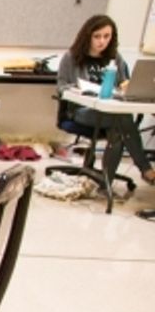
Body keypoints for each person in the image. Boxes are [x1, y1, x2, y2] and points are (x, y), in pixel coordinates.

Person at [56, 14, 153, 184]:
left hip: (110, 109)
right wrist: (78, 90)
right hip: (81, 110)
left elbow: (125, 83)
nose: (102, 41)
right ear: (88, 36)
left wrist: (125, 87)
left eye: (106, 36)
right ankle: (145, 169)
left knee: (117, 130)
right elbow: (61, 87)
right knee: (123, 119)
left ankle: (105, 184)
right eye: (97, 36)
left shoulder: (115, 58)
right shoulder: (71, 57)